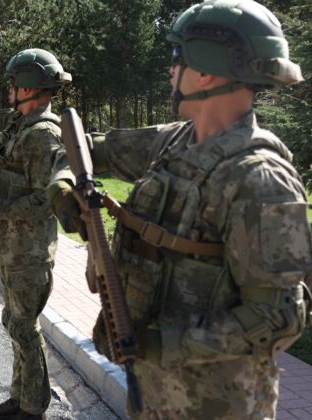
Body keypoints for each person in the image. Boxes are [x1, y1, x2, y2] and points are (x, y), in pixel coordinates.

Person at [48, 1, 310, 418]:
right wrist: (62, 189)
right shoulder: (174, 141)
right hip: (152, 390)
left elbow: (278, 317)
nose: (171, 71)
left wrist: (159, 344)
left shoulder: (260, 179)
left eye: (177, 58)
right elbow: (83, 147)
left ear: (205, 70)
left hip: (217, 404)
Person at [0, 49, 71, 420]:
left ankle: (33, 408)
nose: (10, 90)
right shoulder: (20, 125)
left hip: (28, 252)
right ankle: (20, 396)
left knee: (25, 329)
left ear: (30, 87)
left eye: (14, 84)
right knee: (15, 325)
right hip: (12, 247)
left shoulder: (42, 134)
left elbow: (45, 200)